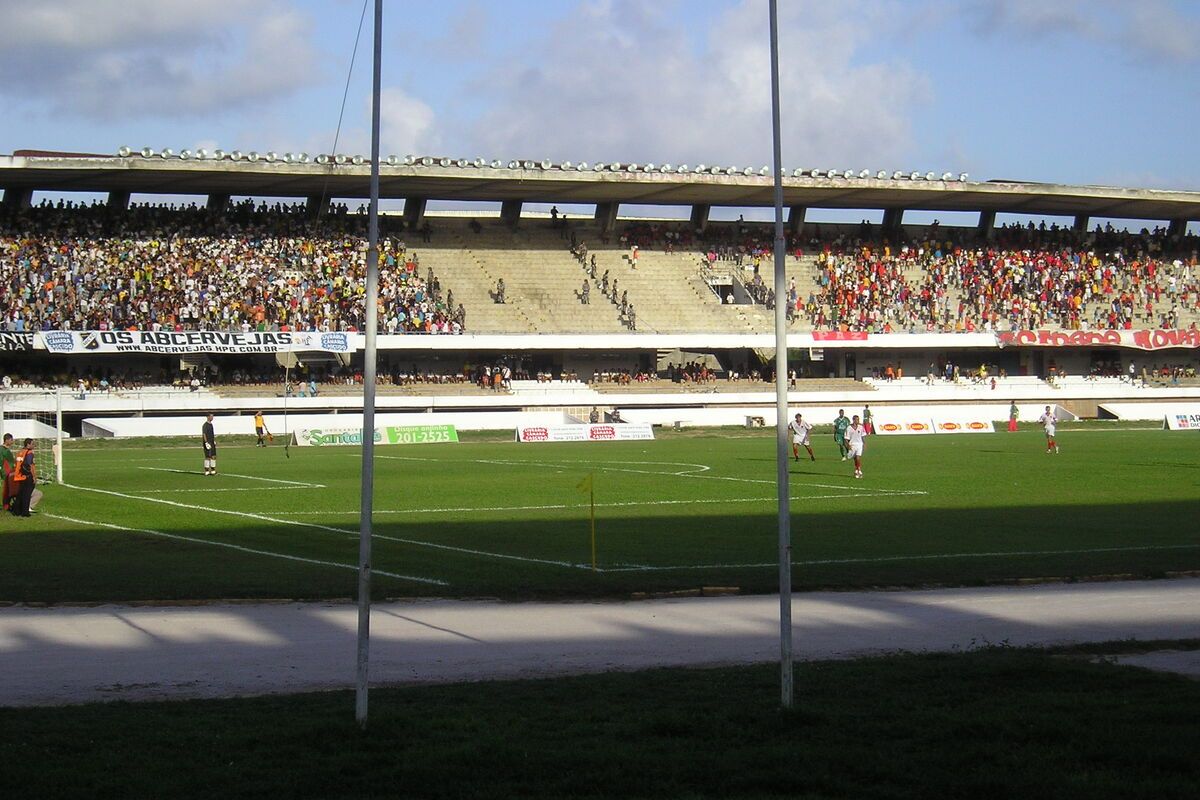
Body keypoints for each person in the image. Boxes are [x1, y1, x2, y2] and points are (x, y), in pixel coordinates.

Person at [10, 438, 38, 515]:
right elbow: (29, 465)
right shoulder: (29, 453)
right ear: (28, 444)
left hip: (19, 475)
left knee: (20, 493)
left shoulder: (20, 452)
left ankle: (16, 510)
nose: (34, 445)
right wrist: (33, 477)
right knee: (27, 494)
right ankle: (25, 512)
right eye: (32, 444)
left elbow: (17, 463)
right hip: (27, 476)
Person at [844, 415, 866, 479]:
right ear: (853, 420)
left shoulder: (861, 427)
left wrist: (864, 443)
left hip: (859, 444)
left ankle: (859, 470)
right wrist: (848, 445)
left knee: (858, 457)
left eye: (858, 419)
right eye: (856, 420)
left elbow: (863, 436)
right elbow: (846, 438)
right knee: (855, 459)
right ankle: (856, 470)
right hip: (852, 444)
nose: (858, 421)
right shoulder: (849, 428)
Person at [0, 433, 15, 512]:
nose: (12, 441)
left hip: (10, 471)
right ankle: (6, 505)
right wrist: (2, 471)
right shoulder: (2, 449)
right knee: (6, 489)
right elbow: (1, 461)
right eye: (11, 440)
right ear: (6, 440)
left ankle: (8, 504)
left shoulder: (7, 449)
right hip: (6, 472)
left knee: (10, 488)